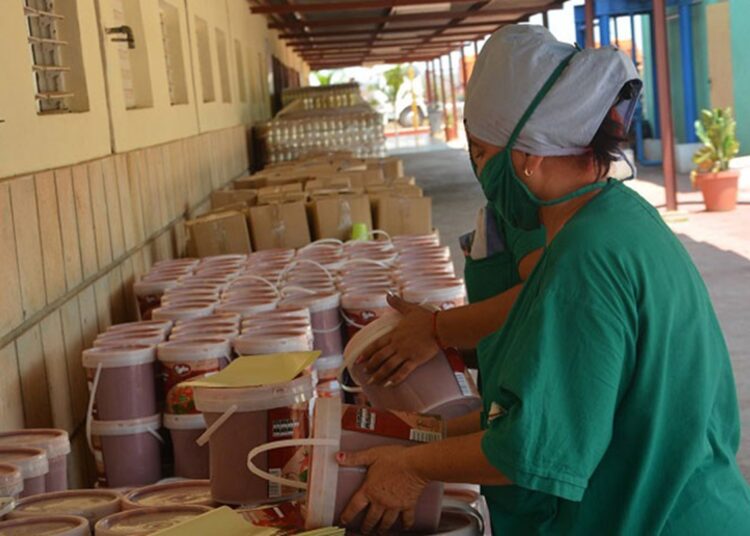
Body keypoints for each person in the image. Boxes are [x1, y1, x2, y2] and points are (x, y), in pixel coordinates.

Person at [337, 25, 750, 534]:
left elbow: (536, 447)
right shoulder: (617, 216)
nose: (481, 172)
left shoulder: (585, 259)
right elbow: (550, 403)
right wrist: (432, 432)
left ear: (527, 156)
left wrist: (413, 466)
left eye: (483, 154)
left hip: (661, 518)